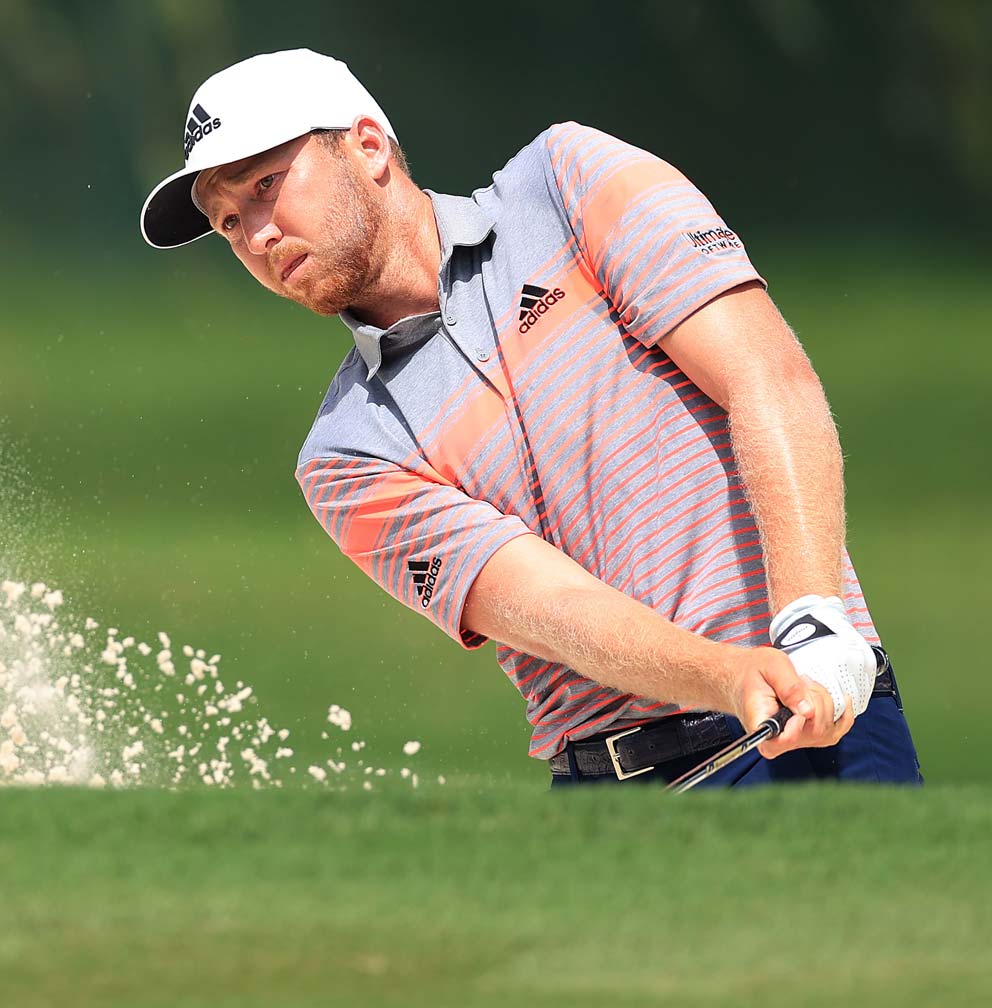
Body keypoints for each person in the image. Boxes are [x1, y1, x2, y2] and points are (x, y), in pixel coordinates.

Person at [137, 49, 921, 786]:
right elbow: (550, 610)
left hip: (828, 711)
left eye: (266, 184)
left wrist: (814, 623)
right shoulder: (345, 455)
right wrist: (732, 676)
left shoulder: (568, 178)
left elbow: (765, 377)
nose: (258, 236)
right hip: (629, 793)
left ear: (368, 147)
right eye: (230, 224)